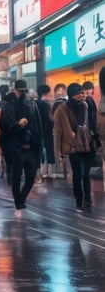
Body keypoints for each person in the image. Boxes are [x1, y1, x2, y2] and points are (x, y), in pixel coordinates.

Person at [53, 82, 99, 212]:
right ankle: (79, 200)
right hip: (72, 147)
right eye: (79, 93)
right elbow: (57, 133)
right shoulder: (61, 110)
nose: (82, 95)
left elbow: (92, 124)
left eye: (82, 93)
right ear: (72, 95)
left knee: (86, 174)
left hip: (87, 145)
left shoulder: (86, 106)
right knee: (78, 174)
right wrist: (58, 156)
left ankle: (88, 199)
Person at [0, 79, 43, 217]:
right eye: (20, 91)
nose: (22, 93)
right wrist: (18, 124)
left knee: (29, 178)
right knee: (17, 177)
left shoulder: (32, 104)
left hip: (30, 146)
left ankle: (20, 200)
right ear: (15, 90)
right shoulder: (8, 107)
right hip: (16, 147)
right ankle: (19, 202)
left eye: (24, 91)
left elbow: (38, 126)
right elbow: (5, 128)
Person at [36, 84, 56, 179]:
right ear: (46, 93)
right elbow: (50, 119)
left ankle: (40, 172)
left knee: (39, 151)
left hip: (38, 131)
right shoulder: (46, 104)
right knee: (49, 150)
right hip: (47, 130)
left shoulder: (35, 103)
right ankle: (49, 172)